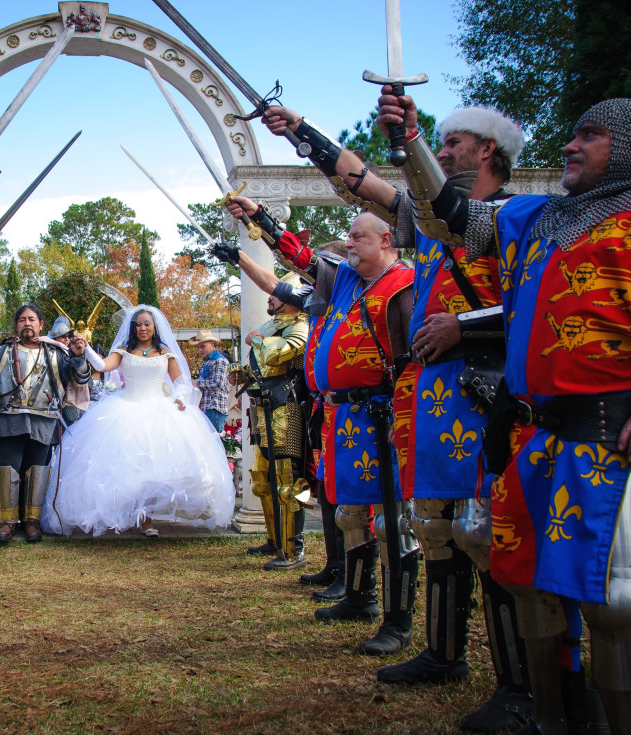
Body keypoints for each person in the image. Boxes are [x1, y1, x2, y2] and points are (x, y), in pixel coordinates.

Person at [257, 101, 535, 731]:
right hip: (430, 402)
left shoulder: (516, 219)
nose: (442, 155)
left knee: (488, 535)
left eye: (454, 143)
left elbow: (535, 303)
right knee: (435, 528)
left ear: (488, 151)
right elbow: (361, 181)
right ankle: (442, 652)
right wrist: (302, 132)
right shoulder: (431, 223)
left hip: (484, 394)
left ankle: (519, 684)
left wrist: (463, 326)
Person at [380, 93, 631, 735]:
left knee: (615, 607)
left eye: (589, 136)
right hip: (538, 438)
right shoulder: (536, 218)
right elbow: (448, 214)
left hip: (612, 438)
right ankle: (550, 720)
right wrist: (410, 143)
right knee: (529, 584)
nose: (570, 146)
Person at [217, 208, 419, 657]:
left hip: (382, 413)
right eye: (347, 236)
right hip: (341, 416)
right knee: (348, 513)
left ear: (387, 239)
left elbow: (411, 357)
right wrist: (262, 225)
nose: (348, 243)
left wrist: (407, 415)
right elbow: (295, 265)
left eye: (358, 236)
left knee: (390, 520)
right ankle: (359, 596)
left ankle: (398, 618)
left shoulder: (402, 284)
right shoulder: (345, 283)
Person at [41, 305, 235, 537]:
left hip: (160, 411)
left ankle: (148, 518)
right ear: (133, 328)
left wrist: (181, 399)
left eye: (147, 324)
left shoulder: (165, 353)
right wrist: (87, 348)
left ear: (154, 328)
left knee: (155, 468)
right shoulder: (123, 351)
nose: (142, 328)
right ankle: (133, 515)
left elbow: (181, 382)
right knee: (129, 467)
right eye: (138, 324)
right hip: (126, 409)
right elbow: (102, 366)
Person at [0, 304, 91, 544]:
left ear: (40, 324)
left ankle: (32, 521)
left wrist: (78, 356)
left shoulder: (57, 353)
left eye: (32, 319)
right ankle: (7, 522)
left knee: (38, 470)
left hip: (44, 420)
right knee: (7, 469)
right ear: (16, 325)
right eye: (22, 319)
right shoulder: (1, 352)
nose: (27, 323)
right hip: (7, 420)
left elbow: (79, 379)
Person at [227, 279, 310, 570]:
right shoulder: (269, 325)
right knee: (264, 480)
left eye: (276, 295)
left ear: (291, 299)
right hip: (262, 409)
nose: (270, 299)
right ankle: (275, 540)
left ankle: (293, 548)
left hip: (286, 408)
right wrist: (242, 373)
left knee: (288, 479)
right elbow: (261, 368)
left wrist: (258, 340)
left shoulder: (301, 325)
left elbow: (280, 354)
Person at [189, 330, 230, 432]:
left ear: (212, 344)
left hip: (215, 408)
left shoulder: (219, 360)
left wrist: (197, 383)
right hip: (207, 407)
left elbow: (218, 383)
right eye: (198, 347)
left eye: (202, 346)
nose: (199, 350)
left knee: (214, 441)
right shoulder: (207, 361)